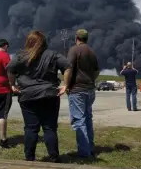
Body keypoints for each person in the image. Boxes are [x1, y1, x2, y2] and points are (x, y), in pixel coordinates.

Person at [7, 31, 72, 162]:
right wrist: (66, 85)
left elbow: (10, 69)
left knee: (31, 128)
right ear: (44, 42)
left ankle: (29, 157)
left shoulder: (20, 55)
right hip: (49, 95)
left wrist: (12, 84)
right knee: (50, 128)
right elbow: (68, 67)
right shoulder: (53, 55)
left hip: (27, 96)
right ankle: (54, 157)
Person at [66, 29, 99, 158]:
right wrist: (90, 80)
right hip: (90, 89)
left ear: (77, 38)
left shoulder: (74, 50)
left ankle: (84, 153)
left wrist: (66, 85)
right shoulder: (91, 51)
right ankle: (89, 147)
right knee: (88, 119)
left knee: (79, 120)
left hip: (77, 90)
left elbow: (68, 69)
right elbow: (97, 71)